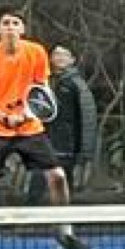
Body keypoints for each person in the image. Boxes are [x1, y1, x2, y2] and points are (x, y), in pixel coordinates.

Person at [0, 10, 93, 249]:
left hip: (29, 128)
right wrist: (4, 117)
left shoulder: (36, 53)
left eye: (15, 23)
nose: (11, 27)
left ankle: (66, 235)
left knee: (58, 177)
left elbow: (42, 91)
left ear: (22, 29)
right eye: (5, 23)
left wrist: (26, 115)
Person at [27, 43, 101, 204]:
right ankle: (28, 217)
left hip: (67, 147)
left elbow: (88, 119)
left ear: (72, 60)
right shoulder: (44, 82)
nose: (60, 58)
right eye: (56, 54)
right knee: (36, 185)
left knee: (63, 186)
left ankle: (65, 218)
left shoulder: (78, 85)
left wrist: (85, 152)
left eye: (64, 55)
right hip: (44, 143)